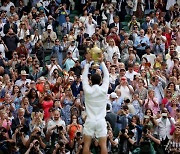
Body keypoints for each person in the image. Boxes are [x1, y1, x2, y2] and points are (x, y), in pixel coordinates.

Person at [82, 53, 109, 154]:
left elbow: (83, 78)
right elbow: (107, 76)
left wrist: (88, 63)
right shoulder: (104, 89)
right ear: (100, 80)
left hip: (90, 120)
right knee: (103, 145)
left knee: (86, 145)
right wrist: (102, 62)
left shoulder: (88, 90)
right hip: (101, 121)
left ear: (90, 81)